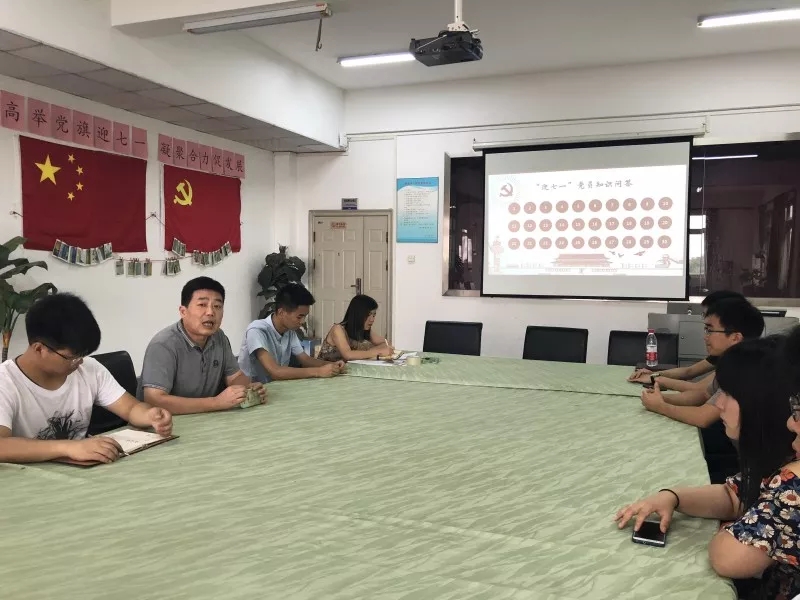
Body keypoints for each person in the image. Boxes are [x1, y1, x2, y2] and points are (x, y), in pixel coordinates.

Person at [616, 333, 800, 598]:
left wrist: (733, 528)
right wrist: (673, 496)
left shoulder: (792, 482)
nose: (719, 404)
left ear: (761, 404)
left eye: (728, 395)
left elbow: (728, 559)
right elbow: (735, 495)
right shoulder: (780, 458)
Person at [0, 293, 172, 465]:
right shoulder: (6, 382)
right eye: (72, 357)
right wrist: (69, 448)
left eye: (82, 355)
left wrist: (149, 415)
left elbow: (131, 408)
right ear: (39, 349)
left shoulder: (89, 369)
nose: (80, 362)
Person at [140, 277, 266, 415]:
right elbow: (154, 400)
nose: (210, 312)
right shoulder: (163, 345)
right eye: (202, 305)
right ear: (183, 312)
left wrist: (247, 388)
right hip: (168, 422)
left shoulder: (219, 337)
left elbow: (235, 377)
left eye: (217, 306)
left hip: (207, 418)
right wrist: (216, 403)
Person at [639, 297, 764, 428]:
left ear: (735, 338)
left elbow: (702, 417)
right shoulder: (731, 362)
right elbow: (703, 394)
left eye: (710, 330)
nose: (705, 337)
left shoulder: (746, 369)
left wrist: (661, 406)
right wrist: (661, 398)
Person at [627, 290, 746, 390]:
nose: (704, 320)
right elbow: (689, 371)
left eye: (707, 315)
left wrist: (655, 379)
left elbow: (700, 390)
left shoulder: (742, 357)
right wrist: (654, 374)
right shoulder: (726, 349)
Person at [239, 284, 345, 382]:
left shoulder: (289, 331)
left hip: (277, 386)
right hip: (253, 390)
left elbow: (305, 359)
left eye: (305, 316)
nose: (303, 321)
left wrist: (332, 365)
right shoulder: (257, 330)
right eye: (299, 317)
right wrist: (318, 372)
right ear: (281, 312)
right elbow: (275, 372)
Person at [318, 294, 393, 362]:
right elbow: (348, 355)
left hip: (349, 369)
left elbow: (386, 343)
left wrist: (374, 351)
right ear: (357, 314)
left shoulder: (365, 329)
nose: (372, 319)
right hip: (327, 370)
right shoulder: (337, 329)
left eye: (374, 315)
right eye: (368, 315)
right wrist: (377, 352)